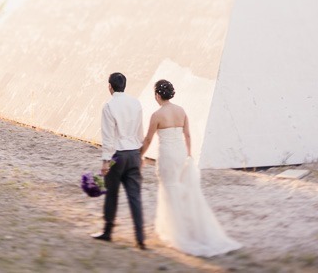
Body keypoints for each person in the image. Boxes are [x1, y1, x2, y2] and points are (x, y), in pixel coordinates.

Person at [140, 79, 241, 257]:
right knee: (181, 189)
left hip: (168, 155)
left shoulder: (157, 115)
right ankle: (187, 227)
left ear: (157, 95)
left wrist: (140, 154)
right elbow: (187, 135)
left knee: (169, 189)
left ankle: (177, 231)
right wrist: (188, 155)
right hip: (180, 153)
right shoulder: (181, 111)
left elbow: (148, 139)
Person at [91, 72, 146, 249]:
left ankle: (108, 231)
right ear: (125, 85)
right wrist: (140, 154)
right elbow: (140, 131)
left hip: (117, 155)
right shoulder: (135, 103)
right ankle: (140, 236)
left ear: (110, 86)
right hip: (134, 153)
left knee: (112, 193)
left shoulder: (109, 106)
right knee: (135, 196)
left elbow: (108, 136)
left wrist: (105, 161)